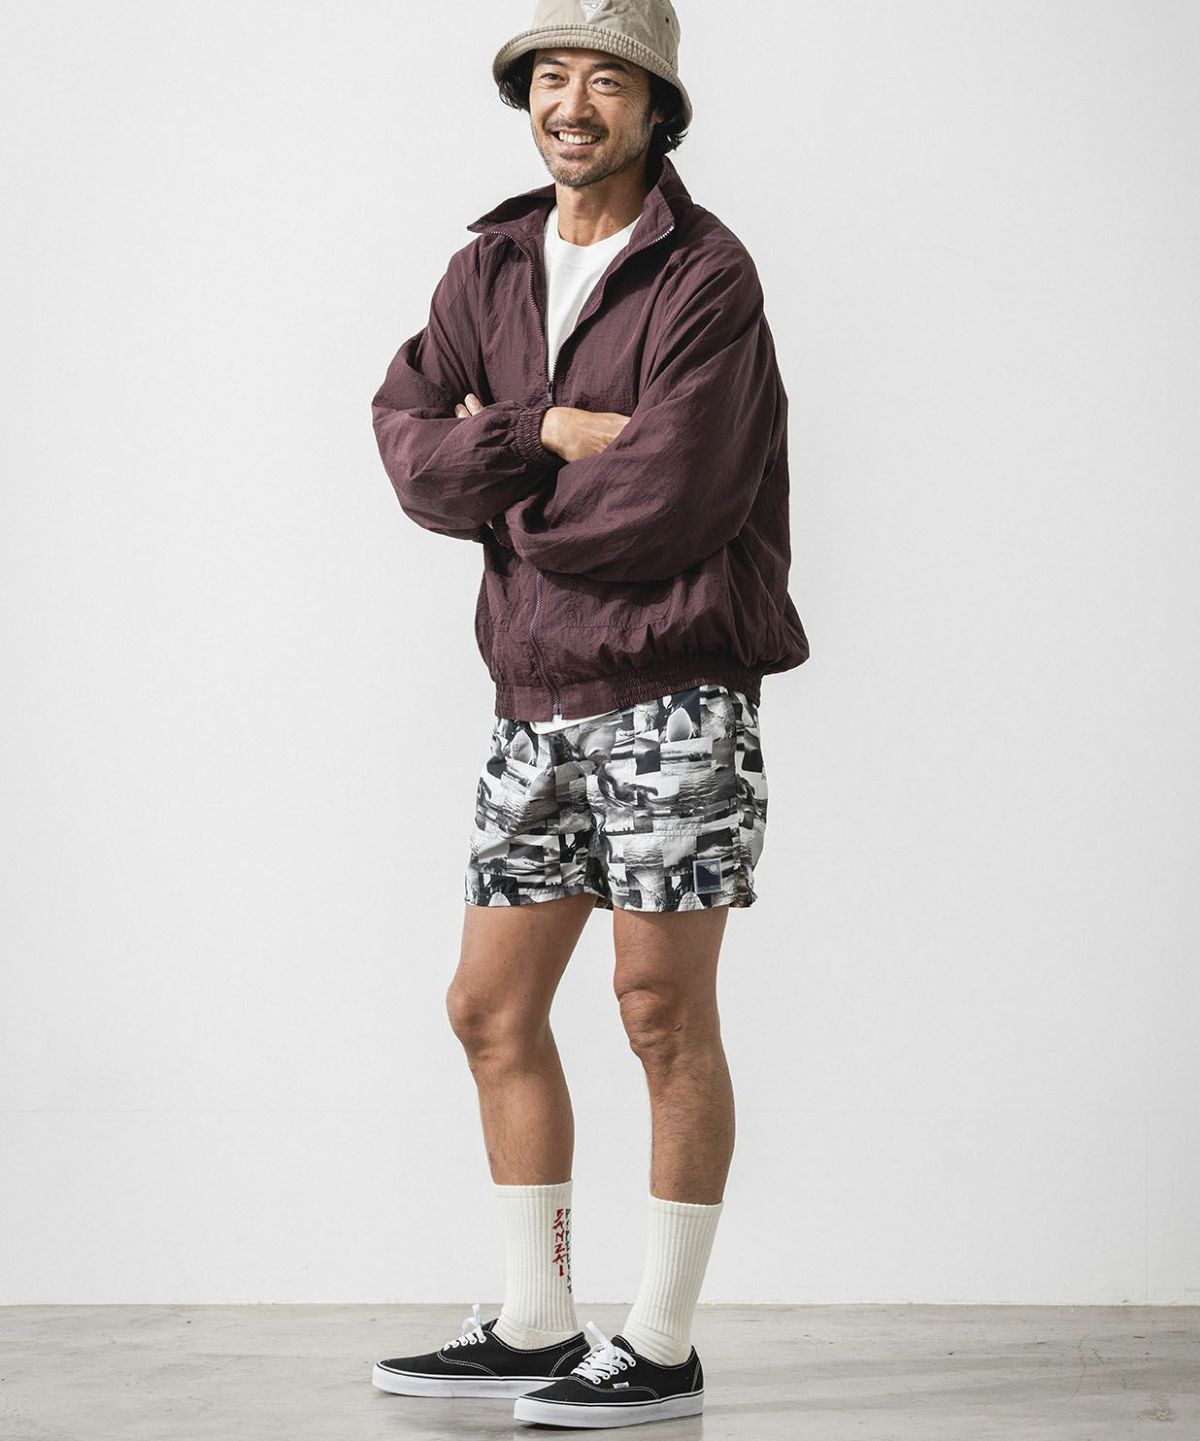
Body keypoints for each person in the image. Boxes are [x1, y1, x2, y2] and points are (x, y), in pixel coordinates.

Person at [367, 0, 809, 1427]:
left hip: (674, 697)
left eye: (606, 79)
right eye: (551, 76)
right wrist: (541, 435)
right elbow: (407, 447)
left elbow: (670, 499)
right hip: (530, 700)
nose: (573, 102)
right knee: (488, 1006)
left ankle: (662, 1345)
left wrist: (497, 495)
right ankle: (536, 1320)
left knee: (659, 1012)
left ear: (656, 107)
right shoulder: (487, 265)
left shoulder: (706, 274)